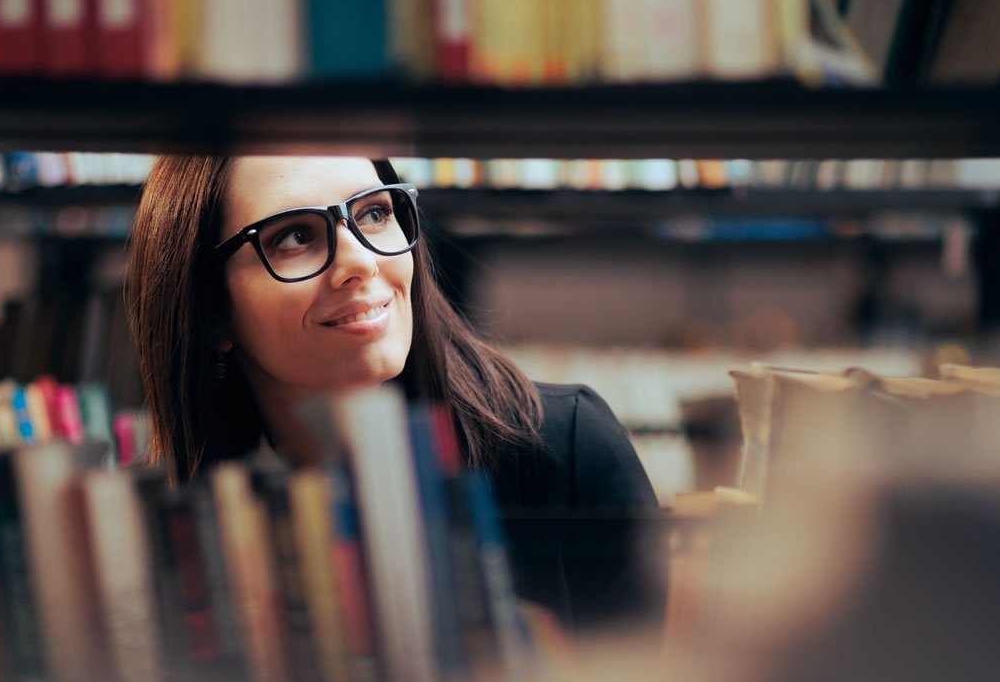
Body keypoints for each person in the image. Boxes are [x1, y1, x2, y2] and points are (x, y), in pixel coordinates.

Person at [125, 155, 660, 630]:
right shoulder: (182, 533)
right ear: (212, 312)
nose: (361, 261)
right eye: (294, 236)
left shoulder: (566, 451)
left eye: (374, 214)